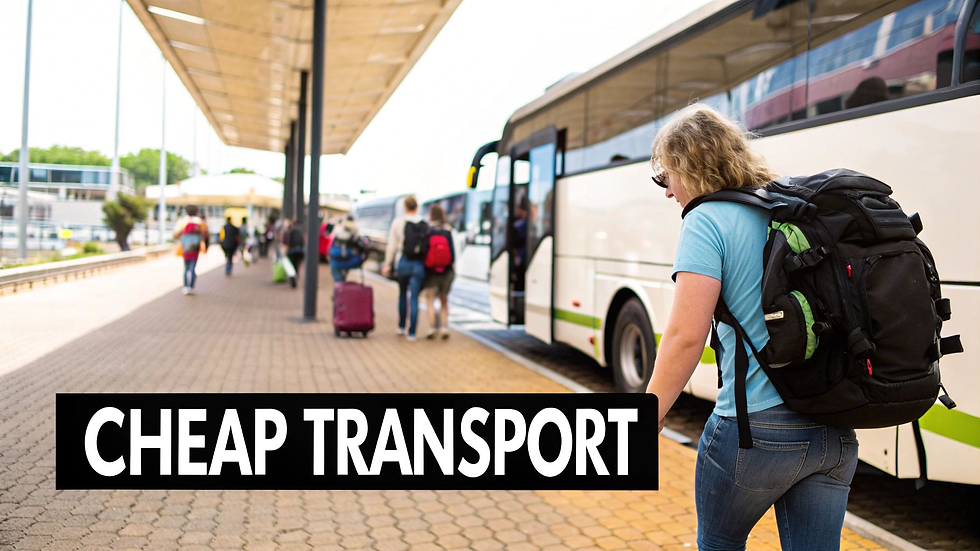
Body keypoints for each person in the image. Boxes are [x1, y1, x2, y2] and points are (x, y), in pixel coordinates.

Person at [644, 103, 858, 551]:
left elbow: (686, 336)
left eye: (667, 176)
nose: (667, 191)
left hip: (755, 433)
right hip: (833, 430)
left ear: (691, 166)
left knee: (719, 544)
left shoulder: (706, 219)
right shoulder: (790, 208)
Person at [382, 196, 426, 341]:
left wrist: (388, 263)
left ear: (405, 207)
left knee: (402, 295)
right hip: (419, 263)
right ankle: (412, 333)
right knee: (414, 298)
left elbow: (392, 246)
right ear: (417, 207)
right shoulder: (424, 223)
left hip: (404, 261)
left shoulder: (398, 222)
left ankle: (401, 326)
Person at [421, 204, 455, 340]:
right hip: (446, 271)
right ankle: (444, 327)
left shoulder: (428, 231)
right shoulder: (448, 231)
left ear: (431, 215)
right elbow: (452, 255)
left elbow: (424, 252)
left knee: (430, 300)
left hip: (431, 272)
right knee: (444, 301)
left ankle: (432, 328)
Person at [172, 205, 210, 295]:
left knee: (186, 267)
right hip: (195, 248)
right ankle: (191, 286)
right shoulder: (200, 222)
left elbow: (175, 235)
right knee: (193, 267)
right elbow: (206, 234)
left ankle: (185, 286)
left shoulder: (183, 221)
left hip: (185, 247)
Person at [328, 215, 367, 283]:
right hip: (350, 262)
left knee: (338, 280)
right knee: (340, 279)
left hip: (336, 263)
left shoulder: (338, 232)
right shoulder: (355, 234)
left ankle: (339, 290)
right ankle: (341, 289)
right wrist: (352, 253)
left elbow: (332, 252)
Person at [285, 221, 305, 289]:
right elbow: (302, 243)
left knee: (292, 266)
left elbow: (289, 243)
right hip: (299, 252)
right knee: (297, 266)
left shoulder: (291, 233)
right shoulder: (300, 233)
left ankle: (293, 279)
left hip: (292, 252)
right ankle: (296, 277)